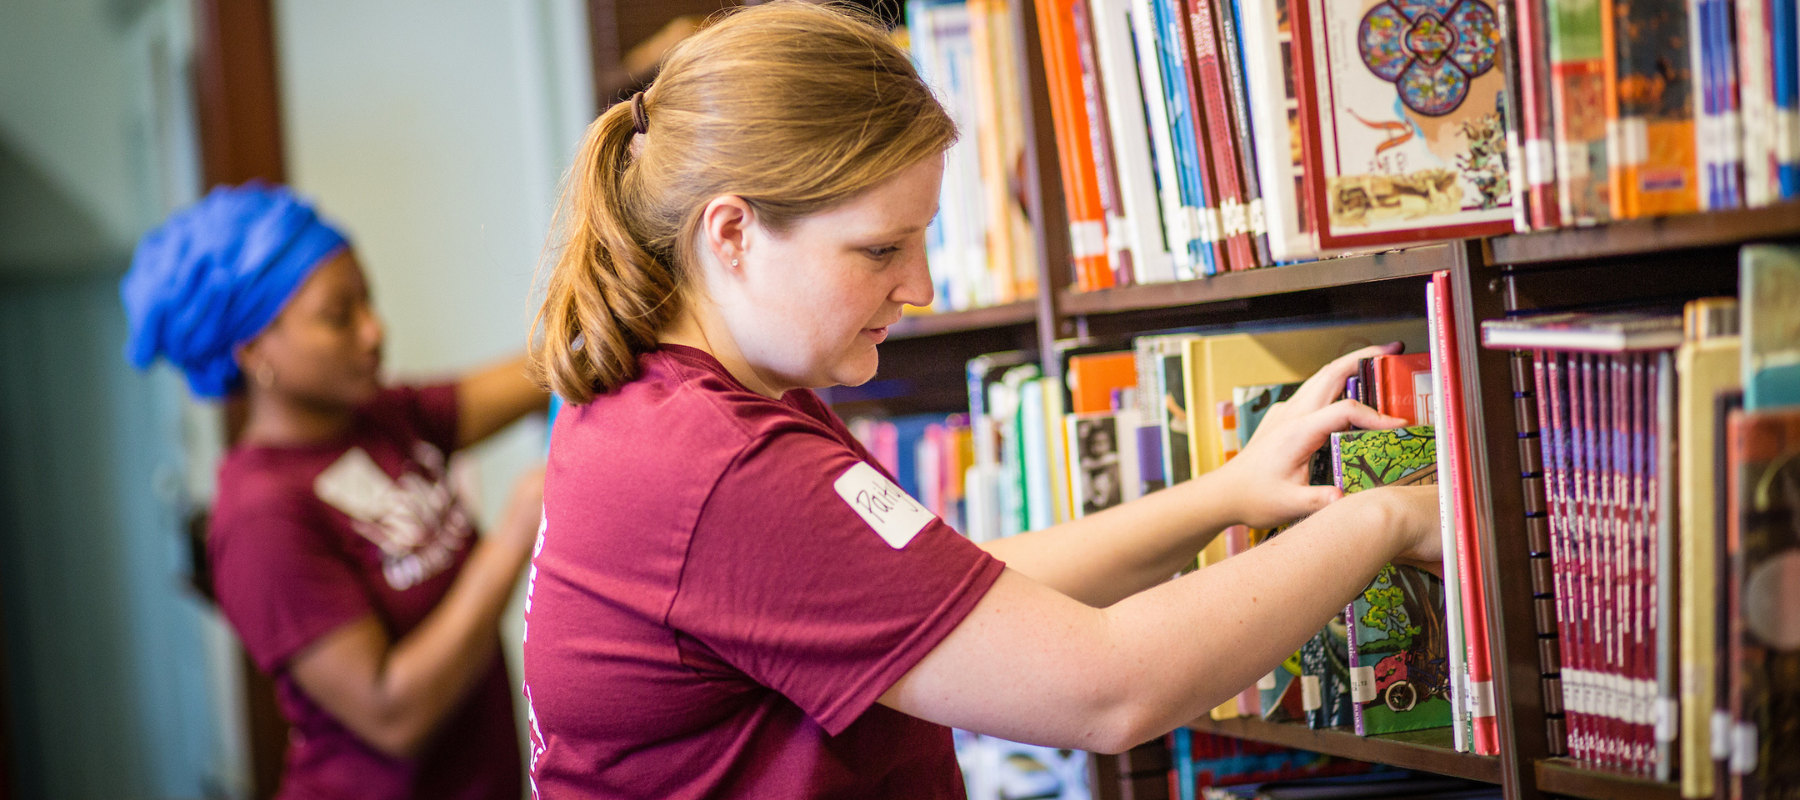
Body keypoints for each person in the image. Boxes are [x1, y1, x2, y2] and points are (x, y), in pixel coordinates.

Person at [520, 3, 1443, 797]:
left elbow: (956, 594)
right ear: (733, 233)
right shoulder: (718, 464)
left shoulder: (690, 399)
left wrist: (1228, 494)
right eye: (880, 250)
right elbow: (1109, 689)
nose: (917, 286)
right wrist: (1388, 521)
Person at [121, 182, 547, 800]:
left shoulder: (381, 417)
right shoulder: (259, 516)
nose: (374, 331)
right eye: (338, 315)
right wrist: (513, 534)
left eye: (367, 301)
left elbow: (538, 372)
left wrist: (607, 322)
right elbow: (392, 713)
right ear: (253, 349)